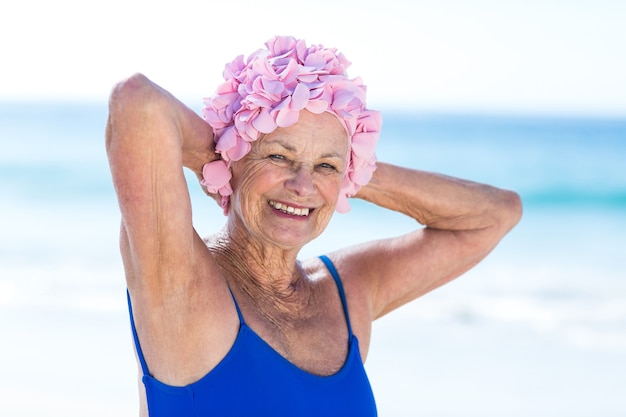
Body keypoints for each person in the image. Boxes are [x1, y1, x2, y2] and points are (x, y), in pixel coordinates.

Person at [106, 36, 522, 417]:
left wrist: (353, 167)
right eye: (278, 158)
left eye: (325, 167)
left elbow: (496, 214)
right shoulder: (179, 282)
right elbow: (138, 103)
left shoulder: (346, 293)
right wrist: (231, 151)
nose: (303, 186)